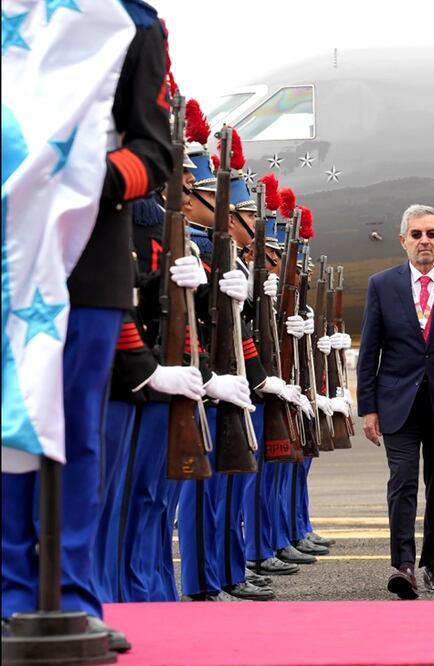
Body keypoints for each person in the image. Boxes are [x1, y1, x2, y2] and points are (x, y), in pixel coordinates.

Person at [1, 1, 172, 652]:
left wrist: (76, 179)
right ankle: (10, 593)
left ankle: (72, 594)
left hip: (89, 248)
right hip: (8, 252)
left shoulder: (128, 22)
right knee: (8, 416)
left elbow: (151, 150)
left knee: (76, 427)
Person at [357, 204, 434, 599]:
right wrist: (368, 407)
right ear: (403, 241)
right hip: (398, 403)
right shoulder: (382, 284)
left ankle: (432, 563)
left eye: (431, 234)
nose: (423, 241)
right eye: (416, 235)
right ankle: (404, 566)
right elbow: (369, 349)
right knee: (403, 482)